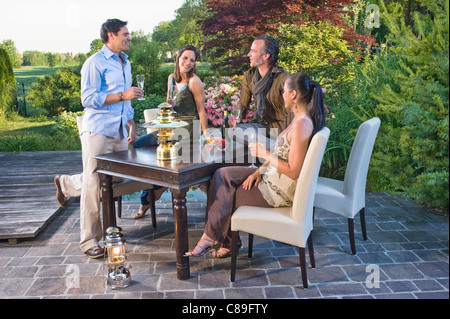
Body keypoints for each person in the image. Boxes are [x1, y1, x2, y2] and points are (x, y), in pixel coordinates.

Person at [185, 73, 326, 258]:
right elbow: (280, 153)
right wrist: (258, 170)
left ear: (293, 95)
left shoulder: (302, 125)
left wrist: (265, 155)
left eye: (284, 91)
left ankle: (214, 239)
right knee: (220, 175)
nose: (281, 95)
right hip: (269, 177)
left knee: (221, 193)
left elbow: (294, 171)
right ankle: (222, 239)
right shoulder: (297, 120)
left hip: (276, 191)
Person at [53, 19, 144, 259]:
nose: (130, 37)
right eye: (126, 34)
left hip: (120, 131)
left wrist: (131, 123)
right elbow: (88, 99)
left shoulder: (126, 62)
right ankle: (89, 241)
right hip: (99, 131)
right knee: (94, 185)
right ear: (111, 35)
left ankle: (67, 184)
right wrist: (123, 94)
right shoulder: (94, 63)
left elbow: (127, 100)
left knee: (113, 179)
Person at [133, 44, 209, 219]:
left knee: (163, 152)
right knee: (139, 144)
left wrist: (205, 134)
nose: (188, 62)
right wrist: (169, 104)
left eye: (192, 60)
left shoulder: (194, 81)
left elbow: (201, 110)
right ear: (178, 57)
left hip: (189, 127)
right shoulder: (170, 78)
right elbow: (170, 106)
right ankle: (154, 187)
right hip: (173, 125)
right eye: (185, 58)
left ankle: (146, 200)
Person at [228, 35, 293, 147]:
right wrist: (237, 118)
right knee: (231, 131)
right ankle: (265, 147)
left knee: (248, 136)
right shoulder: (250, 75)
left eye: (253, 51)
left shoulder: (283, 79)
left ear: (266, 56)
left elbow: (295, 112)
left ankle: (274, 147)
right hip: (259, 126)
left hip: (279, 131)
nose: (249, 54)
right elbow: (243, 104)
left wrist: (287, 136)